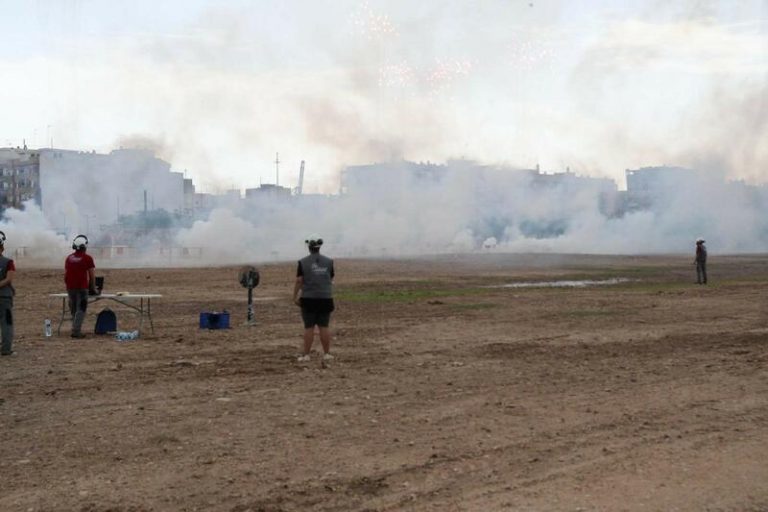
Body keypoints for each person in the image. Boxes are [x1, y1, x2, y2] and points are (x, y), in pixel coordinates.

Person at [293, 235, 335, 363]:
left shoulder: (302, 262)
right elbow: (330, 278)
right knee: (324, 326)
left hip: (309, 299)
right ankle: (327, 353)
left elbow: (299, 280)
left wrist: (294, 296)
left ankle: (306, 355)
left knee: (309, 327)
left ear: (309, 248)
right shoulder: (329, 262)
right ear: (319, 247)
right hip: (325, 298)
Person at [65, 234, 96, 338]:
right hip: (82, 288)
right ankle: (76, 331)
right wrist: (93, 289)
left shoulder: (69, 258)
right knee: (81, 309)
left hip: (70, 287)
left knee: (73, 309)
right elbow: (92, 276)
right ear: (84, 246)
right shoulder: (88, 258)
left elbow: (66, 274)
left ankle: (74, 328)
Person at [0, 231, 16, 356]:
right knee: (7, 323)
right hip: (4, 297)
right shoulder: (8, 262)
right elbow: (8, 279)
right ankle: (6, 349)